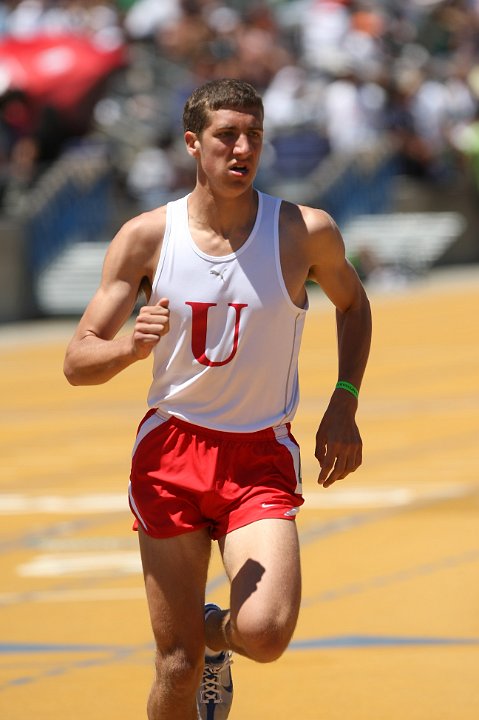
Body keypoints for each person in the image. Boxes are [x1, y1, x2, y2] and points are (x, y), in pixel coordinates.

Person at [64, 78, 372, 720]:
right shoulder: (147, 237)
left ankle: (217, 635)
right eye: (226, 135)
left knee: (265, 632)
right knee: (173, 670)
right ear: (192, 144)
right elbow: (77, 361)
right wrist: (127, 349)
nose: (242, 148)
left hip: (259, 453)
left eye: (253, 135)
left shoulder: (303, 230)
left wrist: (343, 399)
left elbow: (353, 302)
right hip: (171, 451)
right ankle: (194, 650)